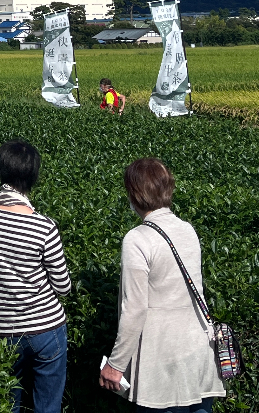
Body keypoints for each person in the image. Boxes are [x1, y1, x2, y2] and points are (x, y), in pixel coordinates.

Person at [100, 158, 226, 412]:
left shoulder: (137, 239)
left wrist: (116, 364)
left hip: (163, 365)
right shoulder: (187, 230)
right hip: (198, 353)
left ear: (134, 194)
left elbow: (135, 309)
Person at [0, 140, 71, 413]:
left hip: (5, 329)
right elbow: (63, 287)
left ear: (0, 172)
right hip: (47, 329)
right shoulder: (44, 226)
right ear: (33, 177)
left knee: (7, 403)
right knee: (47, 406)